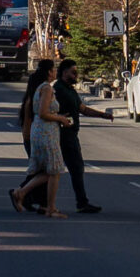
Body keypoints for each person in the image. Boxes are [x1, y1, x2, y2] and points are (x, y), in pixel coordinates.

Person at [9, 58, 69, 217]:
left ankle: (25, 195)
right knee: (54, 170)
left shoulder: (39, 88)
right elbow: (43, 113)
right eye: (54, 69)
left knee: (47, 171)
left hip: (42, 132)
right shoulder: (46, 88)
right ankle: (49, 207)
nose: (56, 72)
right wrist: (61, 119)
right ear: (49, 72)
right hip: (45, 133)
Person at [51, 59, 106, 213]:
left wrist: (102, 115)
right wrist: (60, 117)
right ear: (64, 72)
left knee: (61, 169)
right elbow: (50, 110)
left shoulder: (70, 90)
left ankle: (24, 194)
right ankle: (81, 202)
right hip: (63, 135)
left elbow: (83, 108)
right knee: (70, 168)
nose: (76, 75)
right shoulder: (58, 89)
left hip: (71, 135)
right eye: (73, 72)